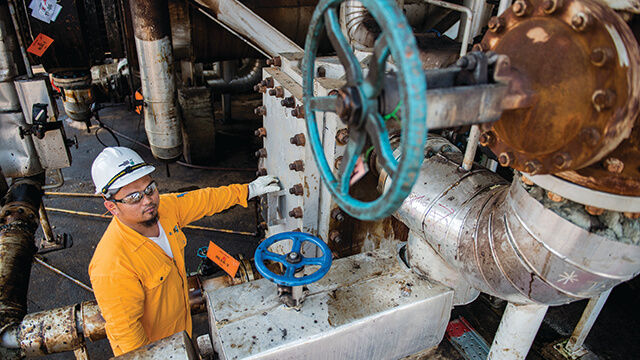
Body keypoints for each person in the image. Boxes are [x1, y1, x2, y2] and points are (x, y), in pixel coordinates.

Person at [88, 147, 279, 355]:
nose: (147, 200)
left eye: (150, 188)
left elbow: (204, 199)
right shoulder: (111, 265)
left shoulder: (165, 210)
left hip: (183, 332)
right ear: (112, 207)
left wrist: (248, 190)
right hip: (160, 351)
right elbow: (127, 335)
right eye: (134, 197)